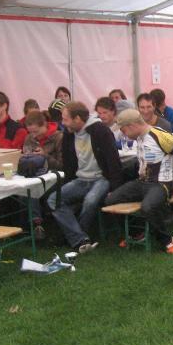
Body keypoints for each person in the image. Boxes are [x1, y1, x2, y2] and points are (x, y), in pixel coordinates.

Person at [103, 109, 173, 254]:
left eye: (123, 130)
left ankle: (166, 240)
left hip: (161, 183)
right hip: (142, 182)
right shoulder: (139, 136)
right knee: (110, 200)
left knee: (148, 207)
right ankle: (137, 234)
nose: (123, 134)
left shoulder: (160, 136)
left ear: (132, 126)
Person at [49, 102, 122, 253]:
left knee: (90, 201)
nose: (63, 123)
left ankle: (77, 237)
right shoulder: (69, 133)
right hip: (81, 179)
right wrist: (68, 181)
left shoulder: (100, 130)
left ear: (77, 119)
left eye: (66, 119)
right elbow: (68, 163)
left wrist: (115, 188)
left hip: (101, 178)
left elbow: (113, 161)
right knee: (53, 199)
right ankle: (80, 239)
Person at [22, 111, 63, 238]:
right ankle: (37, 225)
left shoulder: (58, 137)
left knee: (31, 191)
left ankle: (37, 224)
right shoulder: (29, 138)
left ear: (44, 125)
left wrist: (45, 156)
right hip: (35, 176)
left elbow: (62, 165)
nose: (33, 135)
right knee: (26, 190)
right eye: (30, 132)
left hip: (55, 178)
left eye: (36, 132)